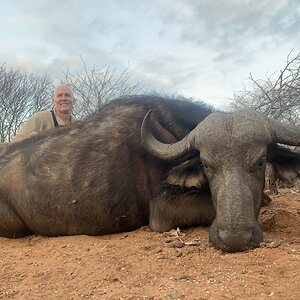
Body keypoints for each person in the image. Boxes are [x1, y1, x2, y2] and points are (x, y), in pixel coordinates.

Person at [12, 84, 78, 142]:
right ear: (53, 101)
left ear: (74, 101)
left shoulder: (79, 125)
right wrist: (28, 141)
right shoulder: (39, 118)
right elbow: (15, 142)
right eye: (59, 96)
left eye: (67, 95)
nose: (63, 98)